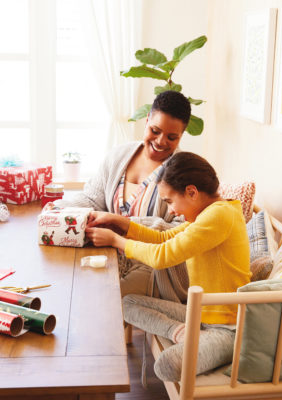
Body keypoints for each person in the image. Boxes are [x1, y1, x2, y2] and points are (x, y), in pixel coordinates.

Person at [85, 152, 251, 381]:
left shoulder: (219, 216)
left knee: (166, 366)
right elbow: (163, 239)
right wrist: (118, 222)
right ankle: (182, 333)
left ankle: (203, 342)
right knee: (128, 303)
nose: (171, 210)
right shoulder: (208, 213)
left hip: (228, 328)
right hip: (200, 315)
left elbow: (162, 256)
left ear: (191, 192)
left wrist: (115, 240)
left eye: (170, 201)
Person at [52, 90, 191, 302]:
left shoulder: (185, 172)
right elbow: (92, 199)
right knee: (66, 285)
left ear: (182, 135)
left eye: (172, 137)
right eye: (155, 130)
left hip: (152, 268)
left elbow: (181, 233)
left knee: (99, 300)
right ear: (147, 120)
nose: (161, 141)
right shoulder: (119, 156)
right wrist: (60, 207)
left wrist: (123, 224)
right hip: (108, 254)